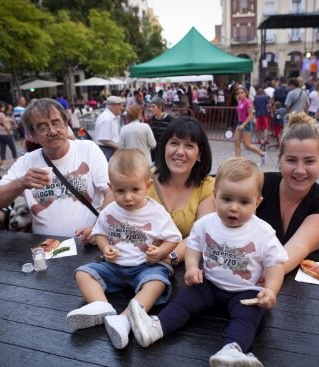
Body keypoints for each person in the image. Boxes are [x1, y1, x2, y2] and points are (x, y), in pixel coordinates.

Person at [126, 157, 288, 367]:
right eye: (226, 199)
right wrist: (192, 267)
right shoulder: (206, 223)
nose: (233, 207)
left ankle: (232, 351)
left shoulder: (263, 232)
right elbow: (193, 246)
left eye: (243, 202)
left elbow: (275, 264)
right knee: (184, 301)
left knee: (248, 318)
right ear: (215, 196)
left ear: (257, 202)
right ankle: (155, 328)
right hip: (209, 284)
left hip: (246, 291)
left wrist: (270, 290)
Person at [66, 149, 182, 350]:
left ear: (147, 186)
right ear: (111, 188)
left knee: (157, 283)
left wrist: (161, 252)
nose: (128, 197)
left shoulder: (156, 213)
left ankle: (126, 318)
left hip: (146, 266)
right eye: (120, 191)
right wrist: (106, 246)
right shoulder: (110, 210)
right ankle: (101, 306)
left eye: (135, 190)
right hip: (115, 266)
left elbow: (174, 238)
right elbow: (99, 232)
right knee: (83, 273)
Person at [0, 98, 113, 239]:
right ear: (33, 135)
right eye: (42, 127)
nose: (52, 131)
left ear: (66, 123)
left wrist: (98, 229)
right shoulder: (26, 162)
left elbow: (110, 192)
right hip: (48, 250)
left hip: (88, 244)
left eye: (56, 122)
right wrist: (21, 183)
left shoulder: (88, 149)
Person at [256, 112, 319, 273]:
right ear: (279, 160)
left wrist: (261, 278)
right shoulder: (260, 184)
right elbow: (218, 184)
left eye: (309, 161)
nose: (300, 170)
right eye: (291, 160)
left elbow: (298, 246)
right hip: (257, 284)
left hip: (307, 289)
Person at [148, 116, 216, 264]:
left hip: (178, 266)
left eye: (189, 146)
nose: (180, 151)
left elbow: (201, 234)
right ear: (164, 147)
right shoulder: (143, 178)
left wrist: (169, 257)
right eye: (174, 143)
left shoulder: (207, 187)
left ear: (199, 154)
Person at [234, 85, 266, 164]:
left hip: (246, 124)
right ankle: (237, 160)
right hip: (240, 122)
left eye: (242, 93)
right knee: (236, 141)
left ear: (246, 93)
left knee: (247, 145)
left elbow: (251, 115)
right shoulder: (240, 101)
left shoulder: (248, 102)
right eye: (239, 93)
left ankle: (262, 154)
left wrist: (243, 125)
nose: (240, 94)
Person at [94, 96, 125, 160]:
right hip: (108, 150)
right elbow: (103, 139)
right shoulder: (107, 118)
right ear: (112, 107)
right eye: (119, 105)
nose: (122, 108)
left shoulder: (109, 117)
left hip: (109, 149)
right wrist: (118, 147)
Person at [0, 101, 18, 170]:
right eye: (2, 106)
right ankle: (17, 163)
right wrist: (9, 131)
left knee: (3, 150)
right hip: (6, 134)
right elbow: (5, 125)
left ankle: (4, 165)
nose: (4, 107)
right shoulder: (2, 115)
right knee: (13, 148)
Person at [148, 97, 174, 161]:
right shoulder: (152, 119)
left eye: (153, 107)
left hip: (165, 149)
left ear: (160, 108)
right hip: (154, 150)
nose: (151, 109)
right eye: (150, 107)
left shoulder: (169, 119)